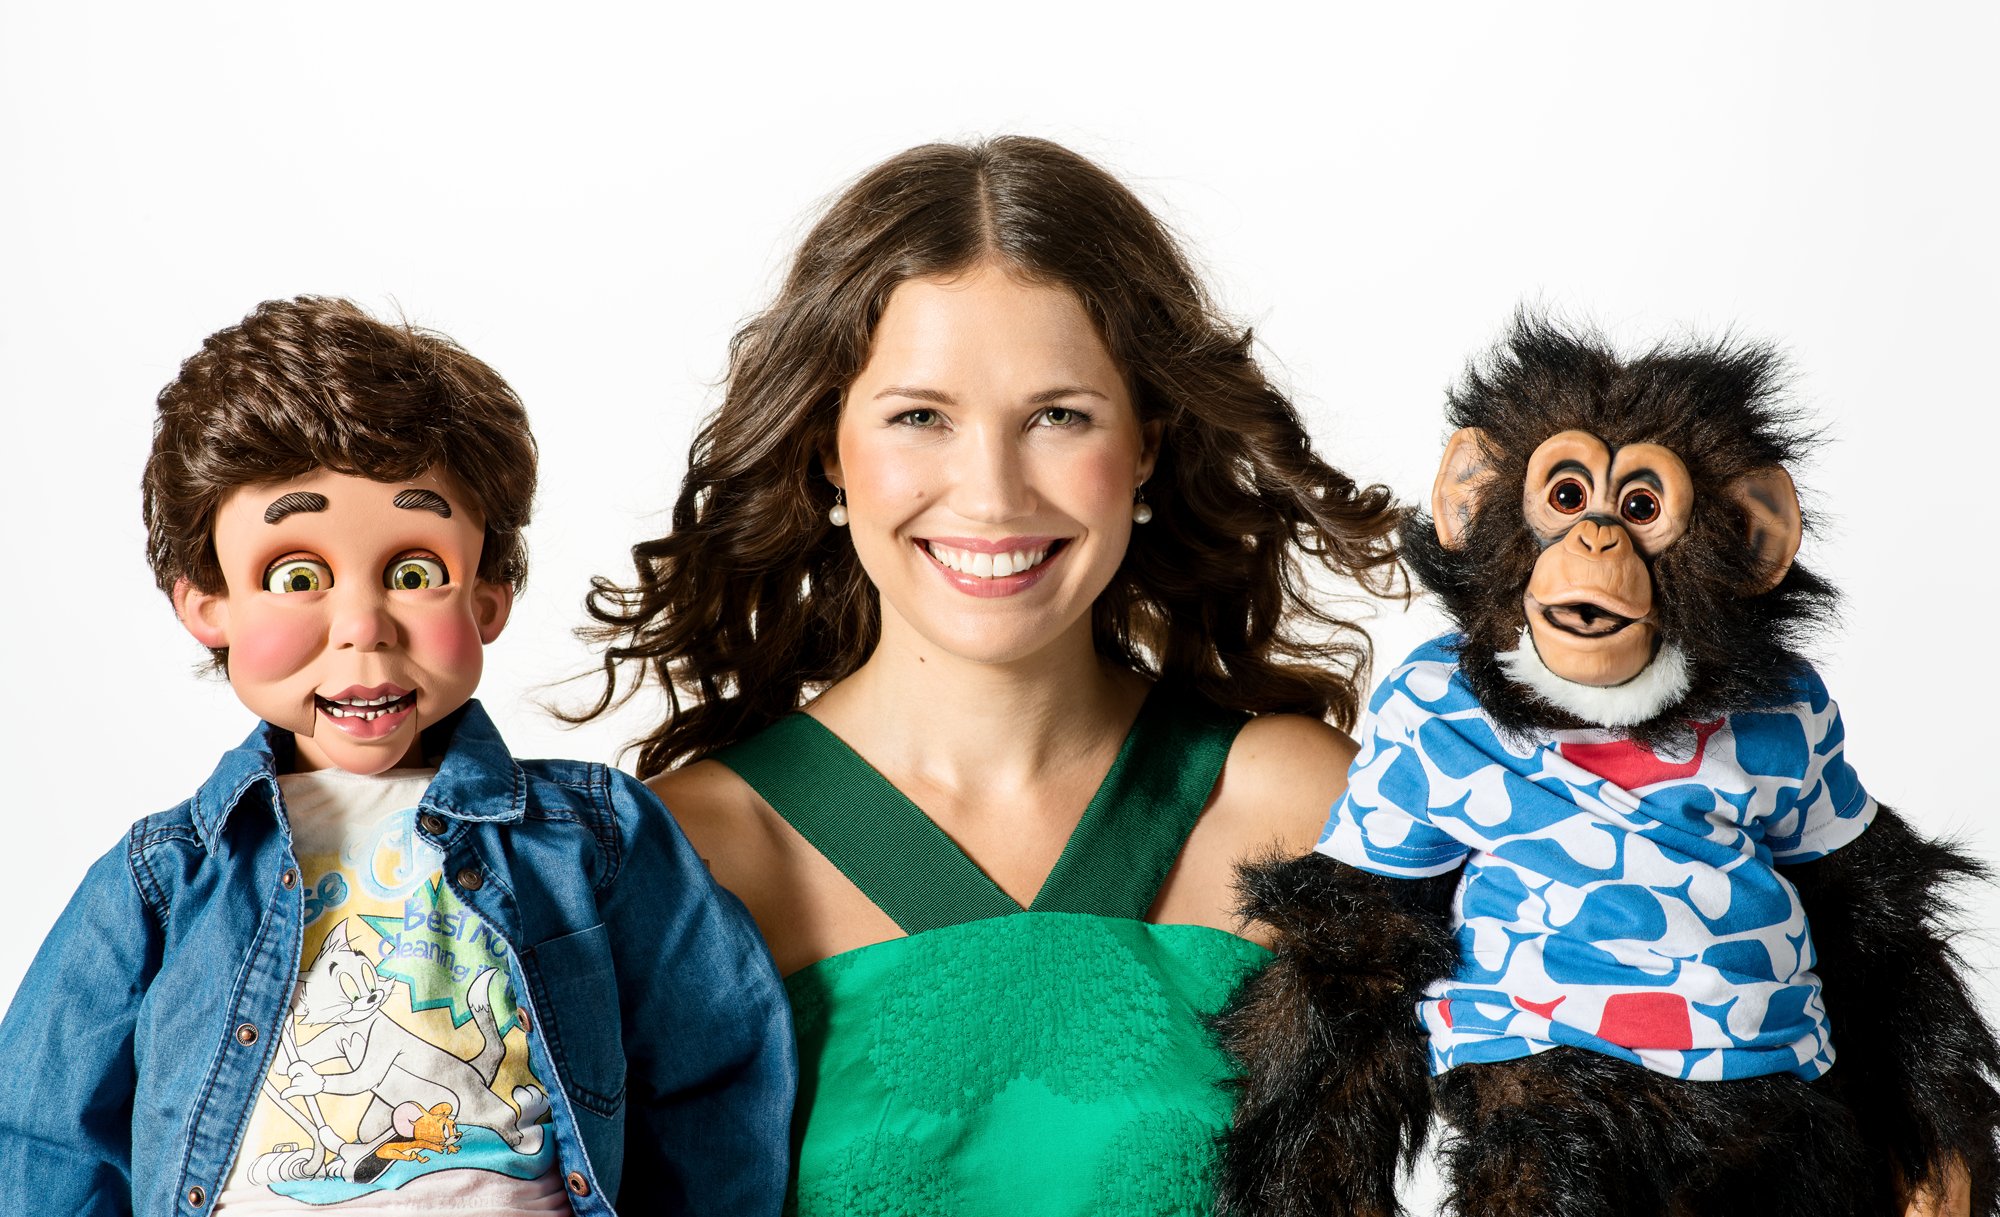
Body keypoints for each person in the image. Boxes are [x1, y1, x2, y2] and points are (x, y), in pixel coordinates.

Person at [578, 137, 1401, 1214]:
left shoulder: (1308, 805)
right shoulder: (684, 857)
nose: (991, 495)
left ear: (1145, 450)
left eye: (1058, 416)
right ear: (828, 452)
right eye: (920, 417)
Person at [0, 297, 794, 1215]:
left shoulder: (592, 837)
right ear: (208, 603)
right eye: (297, 576)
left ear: (488, 595)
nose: (363, 626)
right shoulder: (165, 878)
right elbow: (43, 1136)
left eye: (415, 573)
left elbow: (714, 1070)